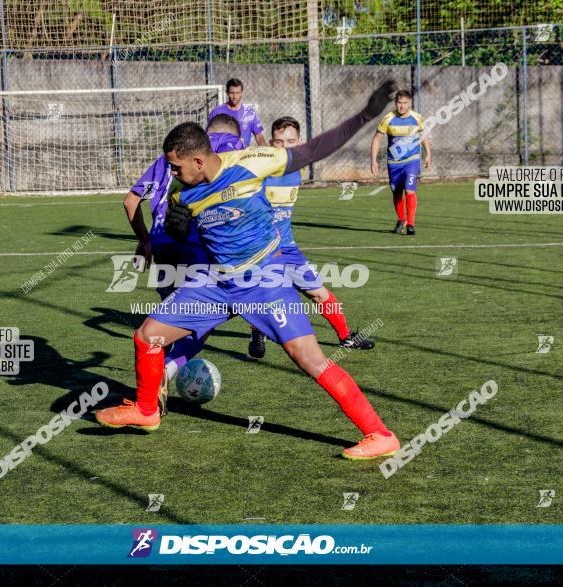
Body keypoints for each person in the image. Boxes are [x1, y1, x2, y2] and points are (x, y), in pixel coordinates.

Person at [95, 81, 402, 460]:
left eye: (175, 167)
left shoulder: (253, 162)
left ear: (197, 161)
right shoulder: (180, 194)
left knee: (310, 359)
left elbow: (314, 150)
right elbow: (195, 236)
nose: (171, 175)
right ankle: (146, 410)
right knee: (147, 336)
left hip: (264, 280)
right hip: (216, 283)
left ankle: (380, 434)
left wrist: (366, 115)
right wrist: (176, 228)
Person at [122, 113, 245, 415]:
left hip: (162, 246)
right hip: (195, 248)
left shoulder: (168, 159)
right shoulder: (227, 154)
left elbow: (130, 201)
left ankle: (150, 393)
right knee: (203, 321)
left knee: (165, 321)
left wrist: (144, 239)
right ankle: (167, 370)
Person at [248, 116, 375, 359]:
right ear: (270, 143)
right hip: (260, 250)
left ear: (299, 143)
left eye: (290, 141)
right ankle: (257, 332)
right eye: (278, 141)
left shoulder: (297, 167)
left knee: (317, 291)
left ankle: (346, 337)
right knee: (262, 296)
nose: (284, 147)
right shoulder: (259, 171)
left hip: (288, 247)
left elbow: (327, 143)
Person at [370, 90, 431, 235]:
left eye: (405, 103)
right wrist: (373, 161)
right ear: (395, 103)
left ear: (409, 102)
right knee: (397, 192)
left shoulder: (417, 118)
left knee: (409, 189)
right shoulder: (388, 119)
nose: (402, 106)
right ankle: (401, 219)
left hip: (412, 160)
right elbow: (376, 139)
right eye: (399, 103)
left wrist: (428, 154)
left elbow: (423, 137)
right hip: (394, 162)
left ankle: (411, 224)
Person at [207, 78, 267, 148]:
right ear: (227, 92)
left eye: (238, 93)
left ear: (242, 93)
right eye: (232, 93)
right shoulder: (216, 112)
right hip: (225, 155)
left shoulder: (249, 112)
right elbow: (209, 136)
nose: (235, 97)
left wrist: (268, 154)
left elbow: (259, 136)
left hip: (244, 155)